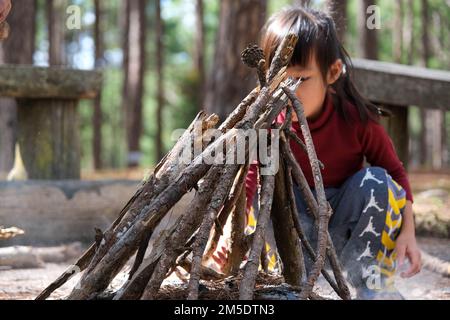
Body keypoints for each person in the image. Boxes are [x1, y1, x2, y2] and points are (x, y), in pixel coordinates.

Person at [213, 6, 421, 300]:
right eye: (279, 79)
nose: (289, 90)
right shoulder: (269, 126)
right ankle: (283, 284)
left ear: (332, 72)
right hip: (294, 237)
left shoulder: (356, 120)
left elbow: (396, 176)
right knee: (264, 186)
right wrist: (226, 236)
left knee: (378, 180)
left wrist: (408, 232)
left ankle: (372, 284)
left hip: (346, 231)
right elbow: (248, 184)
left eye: (301, 79)